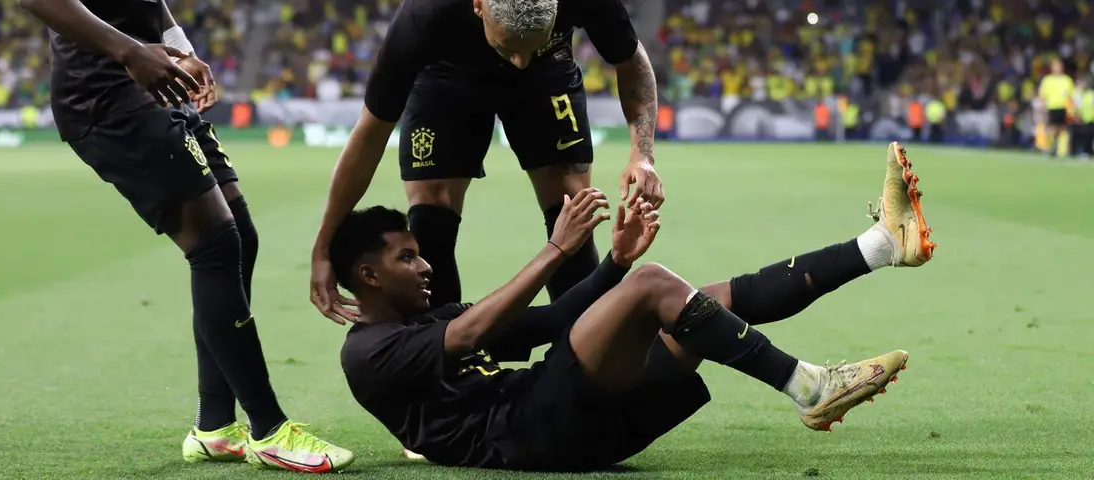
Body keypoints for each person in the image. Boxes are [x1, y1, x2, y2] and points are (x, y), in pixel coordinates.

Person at [16, 0, 352, 471]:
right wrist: (130, 52)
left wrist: (178, 47)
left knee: (240, 236)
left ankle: (214, 426)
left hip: (150, 78)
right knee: (217, 244)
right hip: (100, 93)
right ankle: (269, 430)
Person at [335, 142, 936, 471]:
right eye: (407, 258)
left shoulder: (429, 319)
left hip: (561, 418)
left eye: (420, 255)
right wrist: (556, 249)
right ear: (368, 276)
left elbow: (550, 322)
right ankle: (810, 387)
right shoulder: (369, 352)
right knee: (655, 286)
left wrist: (613, 264)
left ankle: (883, 245)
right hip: (528, 430)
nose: (425, 267)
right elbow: (467, 337)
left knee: (705, 302)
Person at [310, 0, 665, 328]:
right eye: (508, 48)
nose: (518, 63)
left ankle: (585, 349)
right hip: (447, 75)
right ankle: (441, 349)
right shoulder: (424, 14)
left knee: (571, 200)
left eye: (529, 47)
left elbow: (631, 61)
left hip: (547, 72)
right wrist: (323, 246)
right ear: (478, 7)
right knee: (433, 201)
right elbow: (370, 134)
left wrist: (642, 155)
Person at [1037, 58, 1074, 158]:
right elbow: (1042, 95)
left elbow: (1071, 96)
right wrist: (1042, 107)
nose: (1058, 68)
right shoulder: (1047, 80)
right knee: (1051, 129)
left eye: (1059, 66)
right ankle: (1050, 148)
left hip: (1063, 108)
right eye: (1055, 66)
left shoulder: (1067, 80)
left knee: (1063, 129)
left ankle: (1062, 151)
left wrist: (1071, 110)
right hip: (1052, 107)